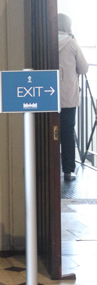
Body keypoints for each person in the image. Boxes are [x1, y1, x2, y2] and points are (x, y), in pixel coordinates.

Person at [58, 13, 89, 182]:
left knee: (49, 132)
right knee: (68, 132)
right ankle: (68, 171)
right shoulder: (71, 43)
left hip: (46, 96)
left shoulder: (45, 41)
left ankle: (49, 168)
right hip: (68, 97)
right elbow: (83, 68)